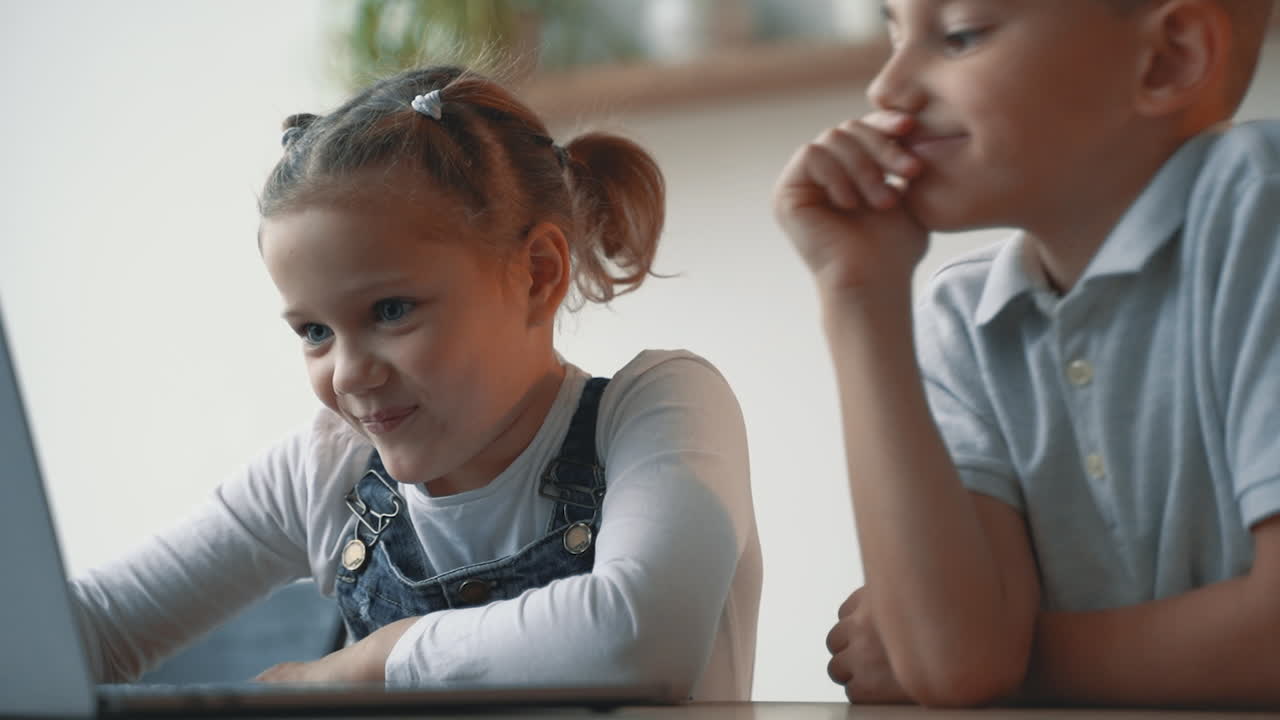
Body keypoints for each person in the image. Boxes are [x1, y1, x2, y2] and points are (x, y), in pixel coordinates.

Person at [70, 65, 761, 702]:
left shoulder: (661, 411)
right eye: (313, 331)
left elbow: (640, 636)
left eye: (391, 311)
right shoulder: (324, 469)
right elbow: (89, 630)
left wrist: (369, 662)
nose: (347, 372)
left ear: (540, 274)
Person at [774, 0, 1279, 708]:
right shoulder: (967, 318)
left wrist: (1022, 656)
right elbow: (955, 665)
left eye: (959, 37)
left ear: (1169, 58)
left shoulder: (1261, 209)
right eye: (893, 33)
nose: (886, 89)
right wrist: (857, 295)